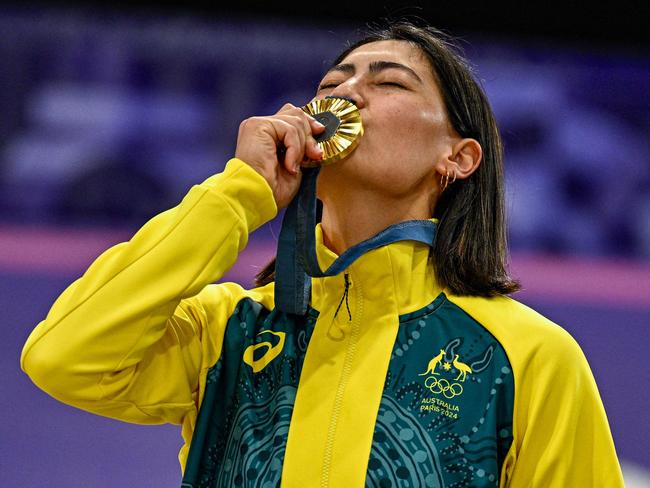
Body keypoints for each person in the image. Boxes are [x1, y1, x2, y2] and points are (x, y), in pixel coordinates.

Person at [21, 22, 623, 487]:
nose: (345, 94)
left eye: (388, 82)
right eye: (331, 85)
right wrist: (239, 196)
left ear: (458, 158)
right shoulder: (226, 332)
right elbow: (64, 356)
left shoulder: (528, 357)